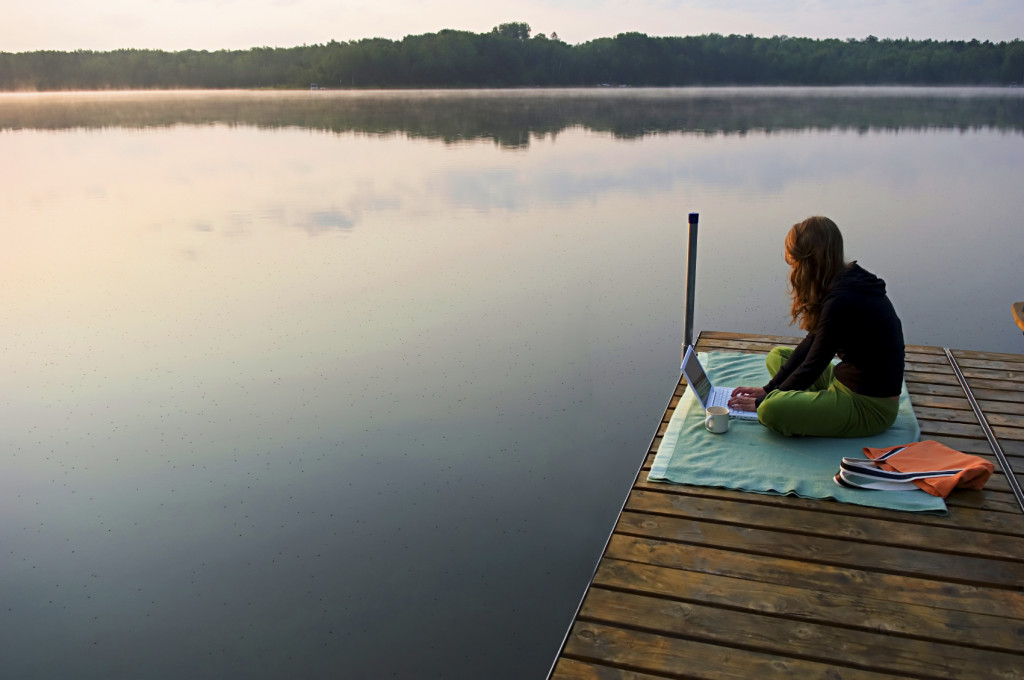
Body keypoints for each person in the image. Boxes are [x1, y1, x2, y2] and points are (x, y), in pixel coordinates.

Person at [728, 216, 905, 437]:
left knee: (770, 410)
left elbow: (814, 364)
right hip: (844, 381)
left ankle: (804, 405)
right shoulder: (844, 279)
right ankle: (808, 403)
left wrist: (765, 401)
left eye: (795, 265)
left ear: (809, 262)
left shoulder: (842, 300)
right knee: (777, 357)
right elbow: (811, 343)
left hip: (869, 406)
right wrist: (769, 388)